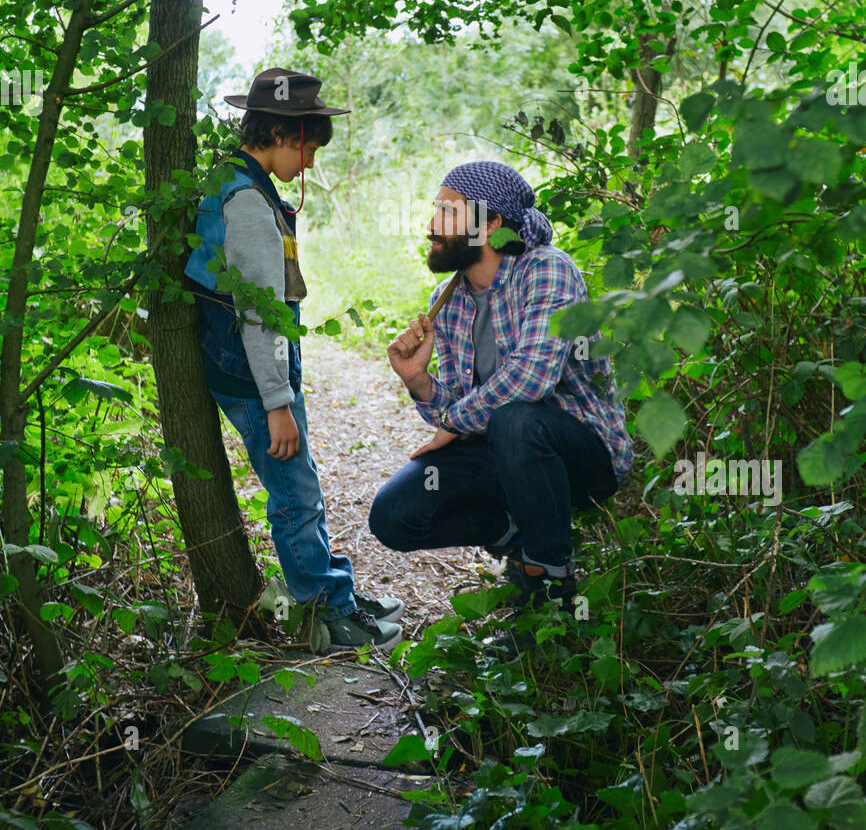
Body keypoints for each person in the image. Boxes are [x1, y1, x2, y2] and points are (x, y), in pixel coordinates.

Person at [185, 67, 403, 650]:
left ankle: (337, 594)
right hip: (256, 381)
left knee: (300, 485)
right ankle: (325, 615)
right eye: (307, 147)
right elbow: (259, 314)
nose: (308, 163)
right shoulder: (250, 208)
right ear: (284, 134)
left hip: (246, 373)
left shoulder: (233, 182)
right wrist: (278, 403)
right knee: (295, 495)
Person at [370, 160, 633, 615]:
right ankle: (516, 538)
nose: (431, 224)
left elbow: (530, 380)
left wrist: (453, 422)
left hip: (583, 457)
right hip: (503, 453)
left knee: (516, 419)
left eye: (449, 213)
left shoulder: (547, 271)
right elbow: (451, 406)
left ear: (491, 224)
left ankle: (551, 591)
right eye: (436, 210)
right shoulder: (446, 302)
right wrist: (419, 381)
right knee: (394, 515)